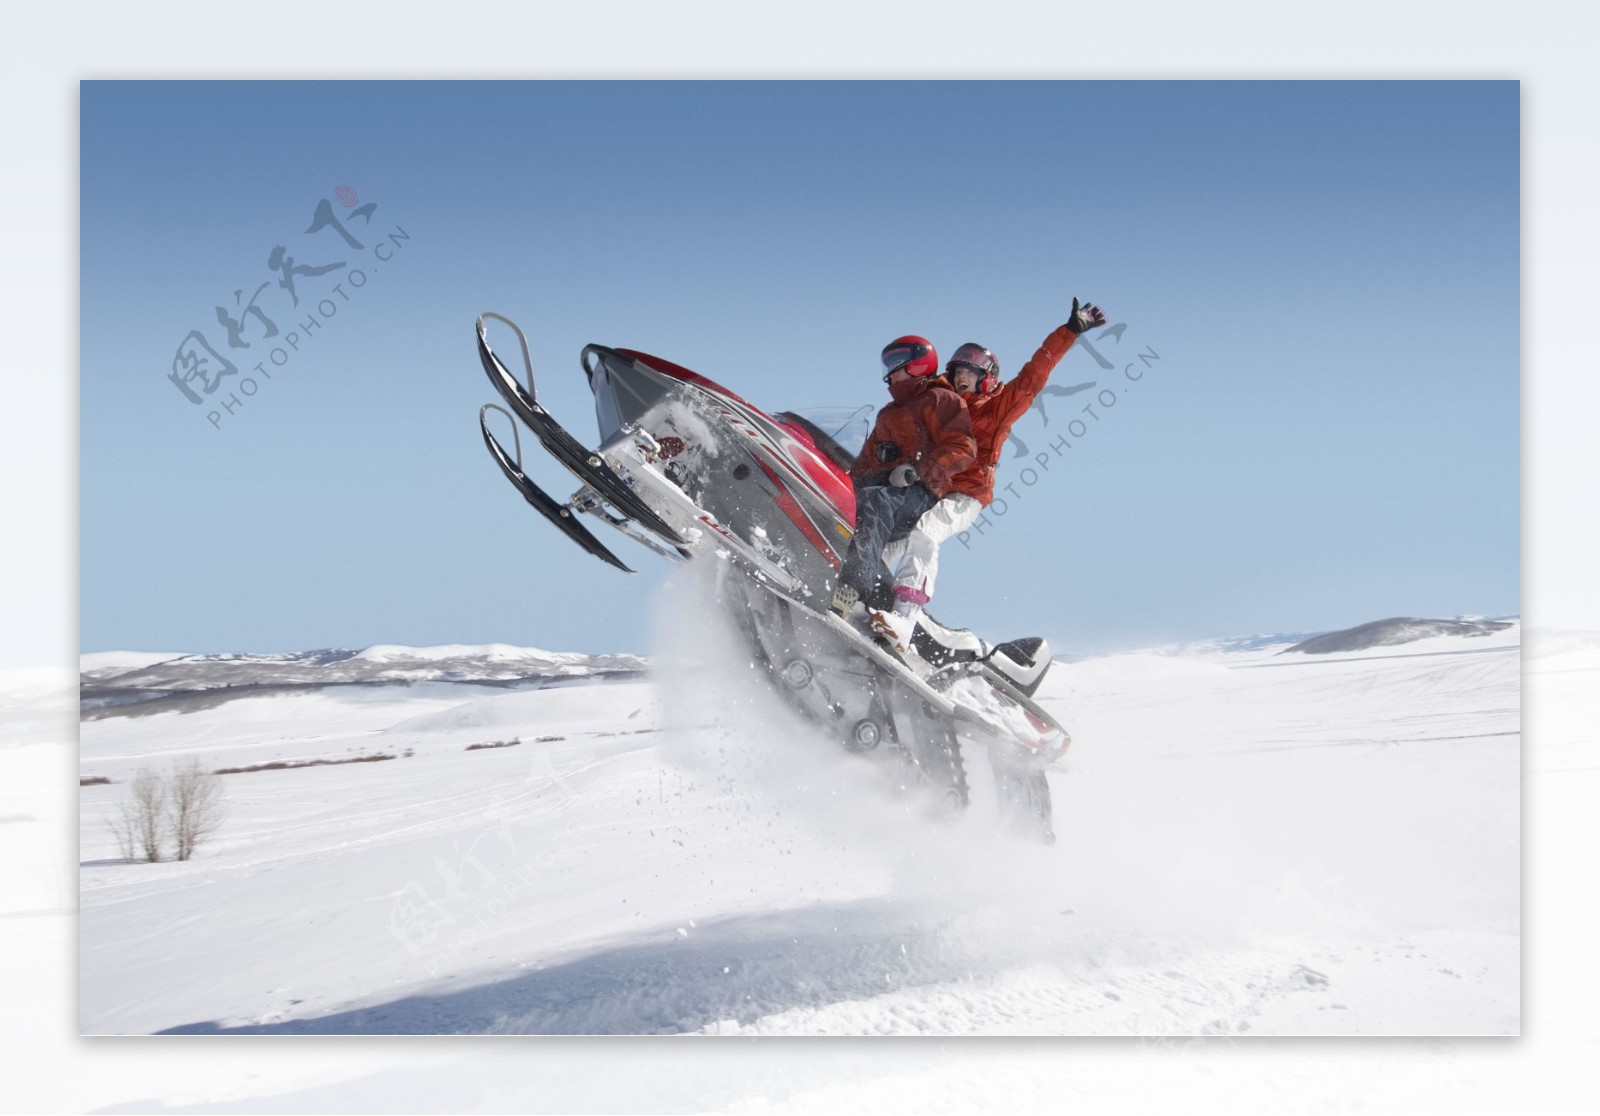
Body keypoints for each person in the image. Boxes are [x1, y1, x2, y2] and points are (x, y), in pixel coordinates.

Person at [880, 298, 1107, 646]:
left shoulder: (999, 408)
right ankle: (862, 588)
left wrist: (1070, 331)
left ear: (987, 379)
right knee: (889, 534)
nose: (962, 379)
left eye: (970, 374)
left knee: (925, 533)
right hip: (930, 488)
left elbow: (1034, 376)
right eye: (958, 373)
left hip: (964, 495)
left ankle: (906, 617)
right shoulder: (941, 402)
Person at [831, 335, 976, 654]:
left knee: (877, 503)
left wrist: (919, 470)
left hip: (921, 492)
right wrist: (841, 486)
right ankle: (850, 583)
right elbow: (865, 464)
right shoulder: (888, 413)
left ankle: (852, 590)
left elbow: (963, 448)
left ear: (919, 363)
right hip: (887, 487)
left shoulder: (942, 399)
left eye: (897, 362)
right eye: (888, 363)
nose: (890, 372)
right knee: (852, 507)